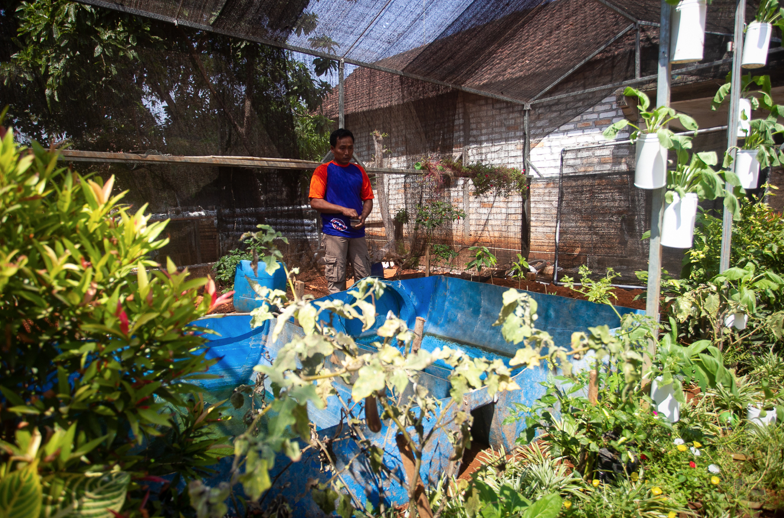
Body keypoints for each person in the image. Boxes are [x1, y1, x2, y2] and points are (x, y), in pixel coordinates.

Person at [309, 128, 374, 294]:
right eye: (342, 148)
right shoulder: (323, 171)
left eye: (350, 148)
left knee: (364, 278)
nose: (347, 152)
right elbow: (315, 201)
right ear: (332, 149)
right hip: (334, 232)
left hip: (357, 232)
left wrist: (363, 216)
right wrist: (343, 210)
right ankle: (339, 318)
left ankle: (361, 316)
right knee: (336, 278)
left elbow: (368, 199)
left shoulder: (359, 171)